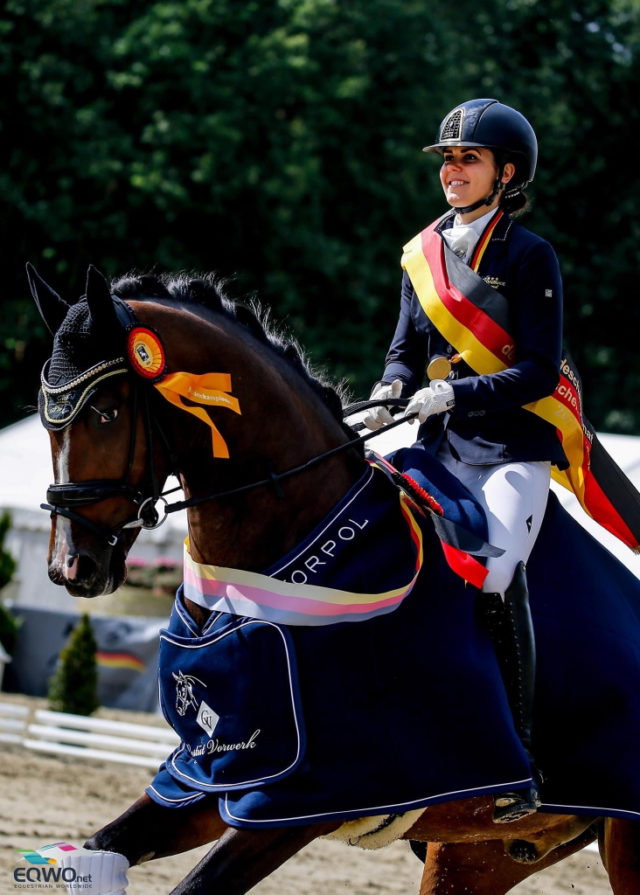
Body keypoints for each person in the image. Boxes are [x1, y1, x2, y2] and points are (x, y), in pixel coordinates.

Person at [364, 98, 568, 823]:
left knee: (495, 575)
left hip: (511, 449)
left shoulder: (528, 254)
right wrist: (393, 384)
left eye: (467, 159)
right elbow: (402, 347)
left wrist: (451, 395)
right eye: (447, 159)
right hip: (439, 446)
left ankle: (517, 759)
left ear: (506, 173)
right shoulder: (421, 252)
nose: (451, 170)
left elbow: (542, 372)